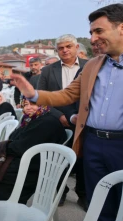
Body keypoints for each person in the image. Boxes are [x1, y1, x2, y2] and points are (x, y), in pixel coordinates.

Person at [10, 4, 123, 221]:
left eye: (98, 31)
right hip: (93, 143)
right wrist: (32, 93)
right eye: (92, 33)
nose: (93, 38)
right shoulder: (94, 65)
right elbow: (65, 95)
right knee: (100, 205)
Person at [37, 34, 88, 207]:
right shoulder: (48, 70)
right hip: (57, 120)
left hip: (84, 120)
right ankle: (61, 191)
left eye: (68, 46)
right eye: (61, 48)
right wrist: (58, 115)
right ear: (57, 51)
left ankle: (82, 194)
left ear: (76, 48)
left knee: (83, 160)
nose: (65, 50)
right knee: (57, 159)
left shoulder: (91, 67)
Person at [0, 98, 66, 202]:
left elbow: (20, 147)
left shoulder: (47, 122)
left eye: (33, 104)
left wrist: (3, 146)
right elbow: (15, 140)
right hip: (22, 165)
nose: (29, 107)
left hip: (29, 172)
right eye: (25, 104)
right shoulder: (32, 119)